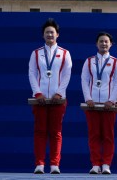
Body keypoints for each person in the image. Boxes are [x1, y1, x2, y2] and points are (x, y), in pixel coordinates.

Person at [28, 18, 73, 175]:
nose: (49, 34)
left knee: (56, 132)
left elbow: (67, 75)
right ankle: (39, 164)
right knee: (40, 131)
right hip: (39, 99)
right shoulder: (36, 54)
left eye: (52, 32)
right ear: (43, 35)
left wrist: (60, 92)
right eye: (47, 32)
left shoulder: (65, 53)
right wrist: (37, 92)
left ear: (57, 35)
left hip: (58, 99)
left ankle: (55, 164)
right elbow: (32, 74)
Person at [81, 32, 117, 174]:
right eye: (101, 41)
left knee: (108, 135)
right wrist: (88, 98)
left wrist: (111, 100)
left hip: (108, 105)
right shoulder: (89, 61)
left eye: (106, 41)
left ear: (111, 44)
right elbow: (84, 81)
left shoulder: (116, 62)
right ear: (96, 44)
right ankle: (95, 164)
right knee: (93, 135)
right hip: (92, 103)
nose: (103, 44)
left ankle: (106, 164)